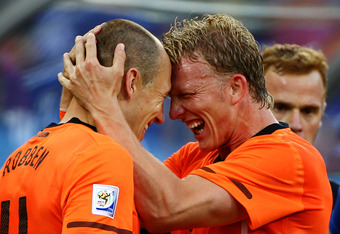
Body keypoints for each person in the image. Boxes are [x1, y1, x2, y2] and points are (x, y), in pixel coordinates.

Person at [59, 14, 332, 233]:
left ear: (236, 88)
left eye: (187, 96)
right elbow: (112, 197)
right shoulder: (192, 157)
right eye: (171, 98)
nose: (175, 113)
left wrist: (103, 105)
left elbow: (167, 208)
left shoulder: (291, 158)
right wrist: (73, 111)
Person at [0, 19, 171, 233]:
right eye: (161, 96)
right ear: (132, 82)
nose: (162, 117)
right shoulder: (101, 155)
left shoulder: (14, 161)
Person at [262, 43, 339, 233]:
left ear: (322, 115)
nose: (296, 124)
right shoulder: (204, 192)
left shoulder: (337, 207)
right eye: (281, 107)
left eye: (308, 111)